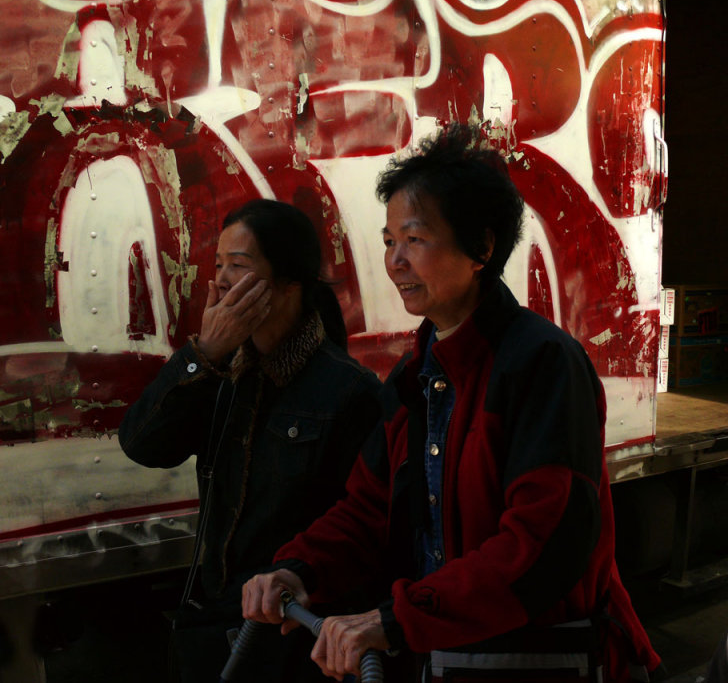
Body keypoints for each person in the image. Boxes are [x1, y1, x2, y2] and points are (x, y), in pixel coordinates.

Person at [242, 124, 662, 682]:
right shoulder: (411, 379)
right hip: (447, 660)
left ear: (482, 248)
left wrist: (400, 618)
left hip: (541, 662)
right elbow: (368, 510)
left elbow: (543, 543)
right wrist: (298, 568)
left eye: (414, 239)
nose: (394, 260)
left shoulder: (541, 363)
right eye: (390, 240)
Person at [118, 199, 381, 682]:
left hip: (293, 638)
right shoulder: (223, 374)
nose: (219, 280)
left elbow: (367, 527)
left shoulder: (349, 391)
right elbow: (142, 444)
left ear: (288, 282)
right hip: (216, 627)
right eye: (218, 265)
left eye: (238, 266)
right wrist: (205, 353)